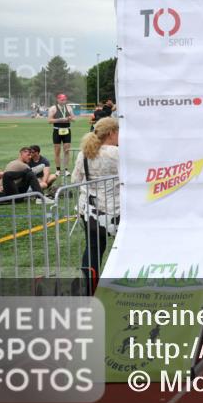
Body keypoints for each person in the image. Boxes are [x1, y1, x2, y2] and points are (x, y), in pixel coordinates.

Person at [71, 117, 119, 293]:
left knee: (93, 248)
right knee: (121, 246)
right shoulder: (116, 153)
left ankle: (88, 287)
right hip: (114, 209)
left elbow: (75, 179)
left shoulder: (83, 153)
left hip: (89, 209)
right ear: (112, 133)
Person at [47, 92, 77, 177]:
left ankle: (66, 170)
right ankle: (58, 170)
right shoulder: (53, 108)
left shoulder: (69, 108)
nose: (64, 101)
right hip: (57, 131)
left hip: (67, 131)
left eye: (65, 99)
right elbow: (49, 120)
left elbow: (74, 119)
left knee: (66, 151)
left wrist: (70, 118)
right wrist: (60, 120)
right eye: (62, 99)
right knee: (57, 151)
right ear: (58, 100)